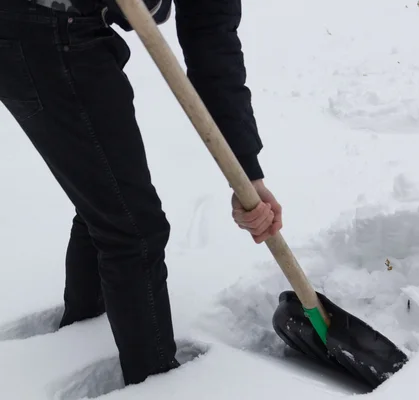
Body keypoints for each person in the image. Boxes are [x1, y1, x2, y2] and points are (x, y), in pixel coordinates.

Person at [0, 0, 282, 387]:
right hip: (45, 29)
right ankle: (155, 385)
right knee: (133, 229)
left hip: (63, 29)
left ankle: (85, 327)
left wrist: (246, 172)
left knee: (107, 199)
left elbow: (211, 42)